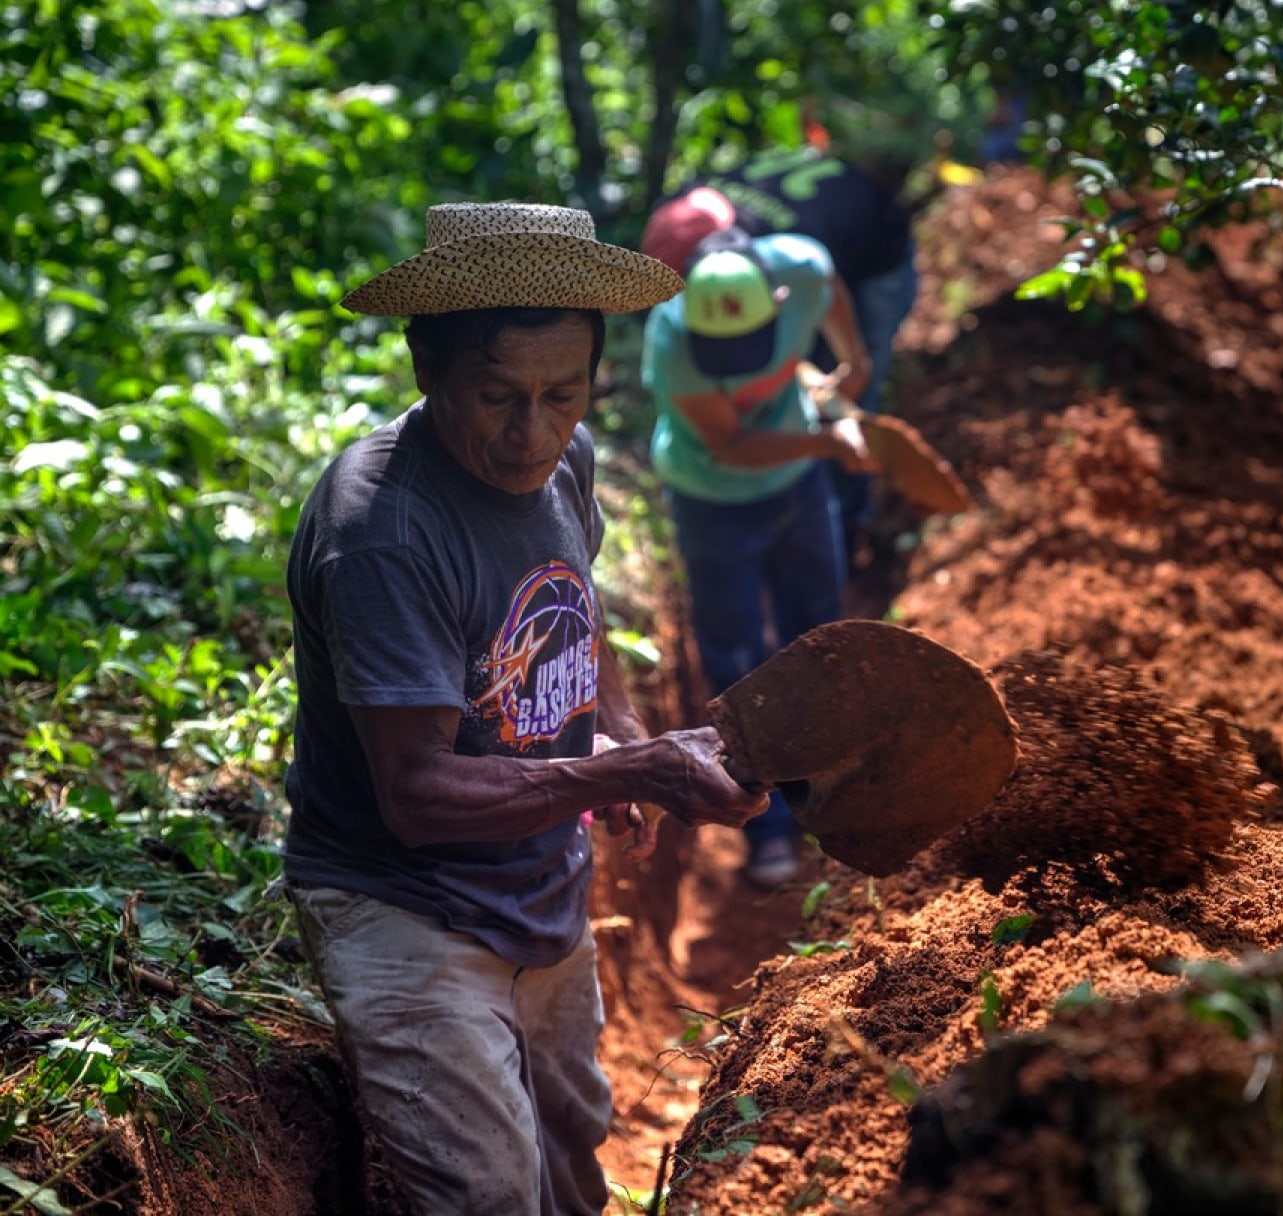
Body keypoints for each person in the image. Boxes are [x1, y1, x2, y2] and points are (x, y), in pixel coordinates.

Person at [282, 201, 769, 1216]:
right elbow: (416, 796)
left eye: (563, 393)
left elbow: (571, 610)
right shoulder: (384, 530)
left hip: (541, 889)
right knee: (487, 1193)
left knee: (571, 1161)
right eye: (498, 395)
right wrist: (627, 773)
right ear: (427, 366)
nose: (531, 433)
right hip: (408, 907)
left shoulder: (568, 458)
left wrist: (624, 730)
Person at [640, 225, 875, 887]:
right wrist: (829, 444)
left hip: (798, 486)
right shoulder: (670, 340)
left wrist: (850, 366)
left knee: (819, 634)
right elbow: (735, 447)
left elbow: (830, 292)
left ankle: (829, 796)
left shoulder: (803, 266)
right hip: (712, 500)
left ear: (776, 297)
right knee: (739, 660)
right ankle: (765, 826)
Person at [640, 146, 917, 551]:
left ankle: (851, 517)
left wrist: (854, 365)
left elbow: (826, 286)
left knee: (854, 392)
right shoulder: (690, 209)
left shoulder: (790, 255)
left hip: (876, 244)